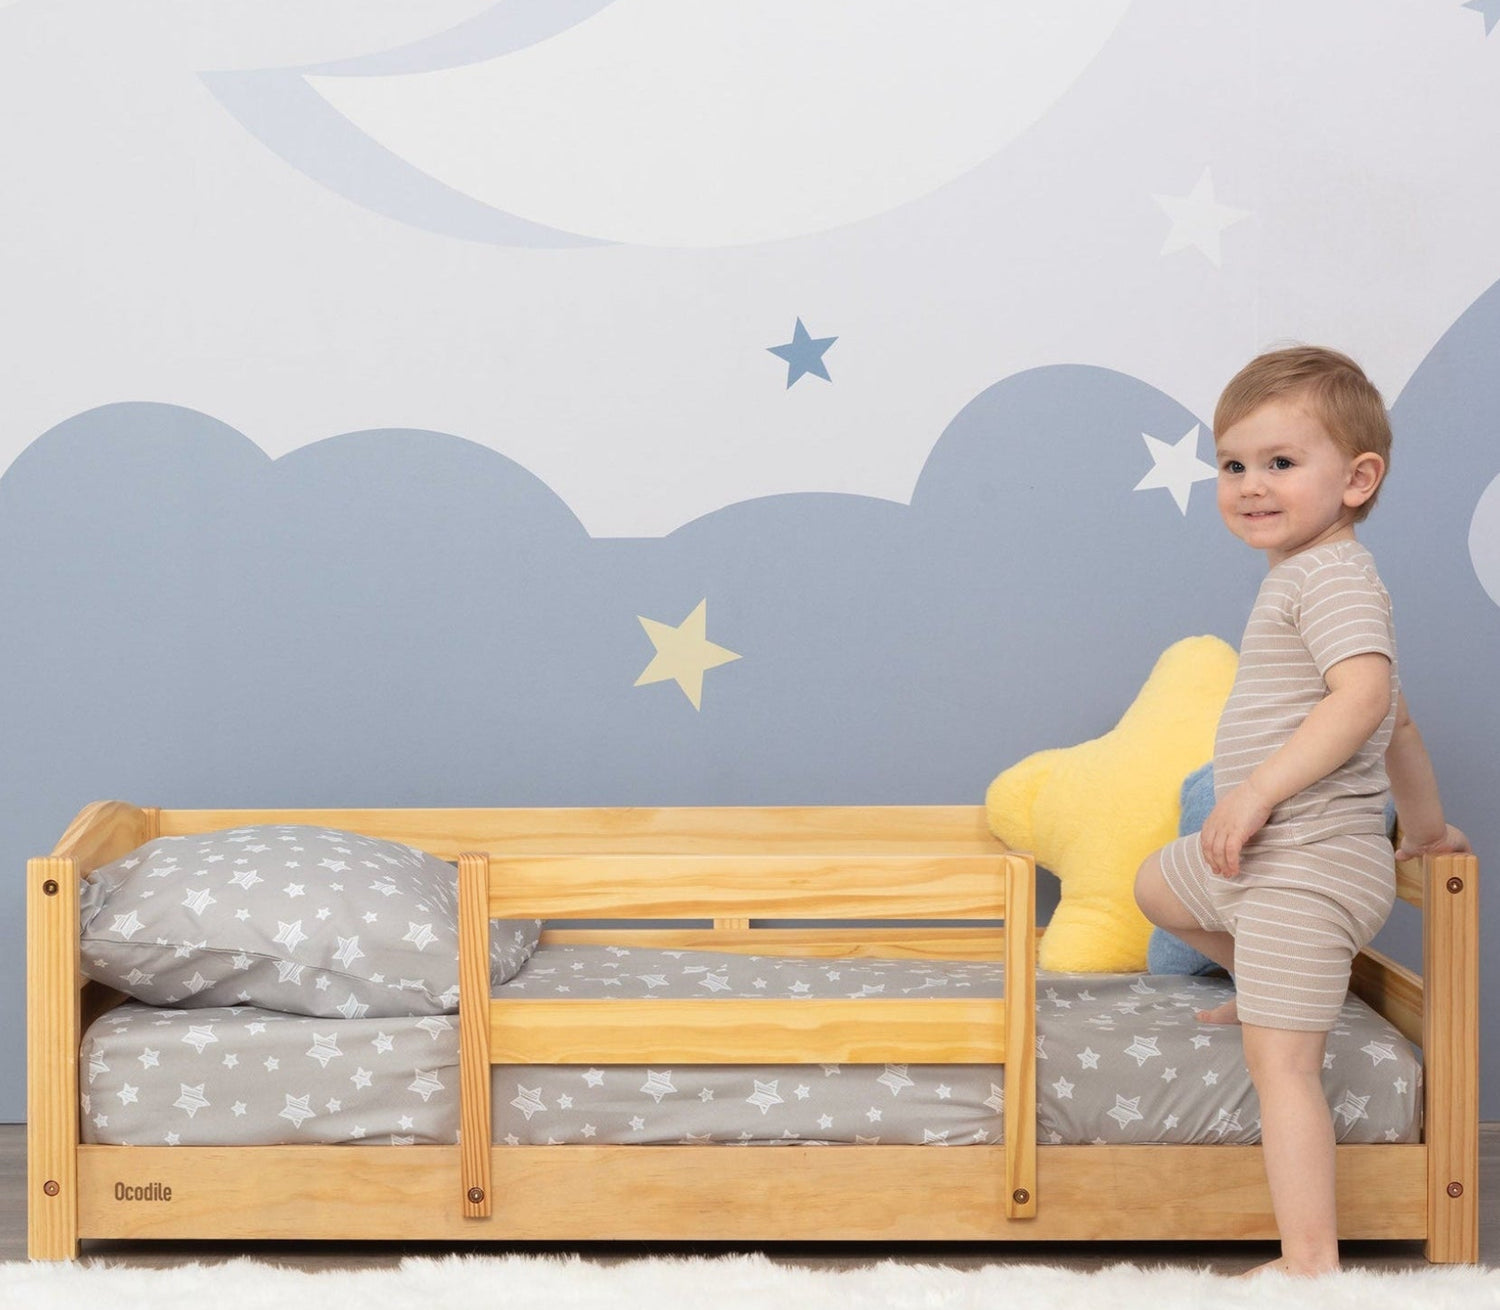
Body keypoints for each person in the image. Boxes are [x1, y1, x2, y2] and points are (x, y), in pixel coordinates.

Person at [1133, 345, 1469, 1277]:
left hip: (1309, 864)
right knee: (1157, 884)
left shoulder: (1333, 578)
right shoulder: (1301, 574)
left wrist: (1253, 791)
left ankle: (1310, 1263)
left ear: (1357, 480)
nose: (1250, 484)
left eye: (1280, 462)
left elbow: (1365, 700)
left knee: (1279, 1067)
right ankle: (1272, 980)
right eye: (1233, 464)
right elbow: (1401, 721)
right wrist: (1427, 829)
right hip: (1272, 857)